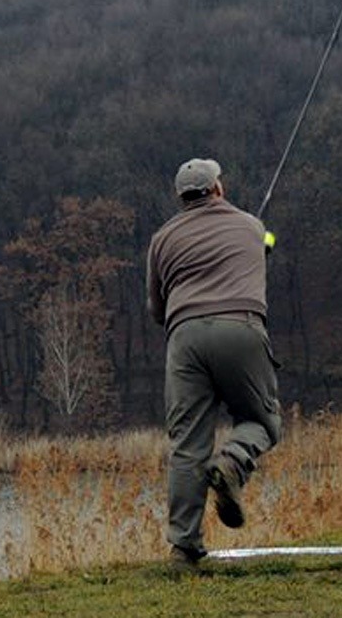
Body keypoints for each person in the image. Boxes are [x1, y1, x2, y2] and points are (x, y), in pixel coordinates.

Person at [146, 157, 282, 568]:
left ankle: (183, 549)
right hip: (240, 328)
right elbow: (268, 244)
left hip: (184, 338)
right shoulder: (251, 227)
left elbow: (156, 309)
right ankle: (232, 463)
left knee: (187, 447)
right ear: (218, 188)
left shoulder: (161, 240)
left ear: (181, 197)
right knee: (262, 421)